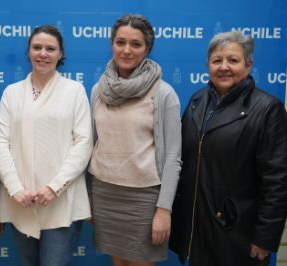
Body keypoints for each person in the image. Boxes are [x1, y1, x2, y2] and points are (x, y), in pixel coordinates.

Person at [169, 31, 287, 266]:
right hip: (198, 231)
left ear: (249, 64)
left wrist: (265, 237)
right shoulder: (196, 101)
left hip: (238, 234)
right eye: (217, 60)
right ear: (208, 65)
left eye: (233, 60)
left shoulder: (268, 109)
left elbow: (277, 181)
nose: (224, 67)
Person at [88, 14, 182, 266]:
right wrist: (88, 194)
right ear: (112, 44)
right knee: (118, 262)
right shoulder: (99, 90)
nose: (126, 50)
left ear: (147, 49)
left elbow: (173, 157)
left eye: (135, 44)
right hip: (105, 192)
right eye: (120, 42)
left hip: (144, 199)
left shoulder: (163, 93)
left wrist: (164, 209)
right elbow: (93, 144)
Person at [0, 25, 92, 266]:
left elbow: (83, 143)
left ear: (61, 54)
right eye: (37, 47)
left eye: (51, 49)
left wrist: (54, 187)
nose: (43, 53)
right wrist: (15, 188)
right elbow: (1, 144)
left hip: (61, 200)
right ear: (28, 52)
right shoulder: (12, 93)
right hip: (22, 200)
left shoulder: (74, 91)